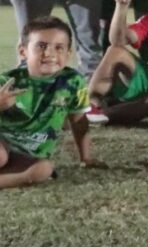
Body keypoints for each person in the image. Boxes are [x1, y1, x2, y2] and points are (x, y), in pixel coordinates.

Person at [0, 17, 98, 189]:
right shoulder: (6, 82)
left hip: (26, 155)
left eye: (59, 48)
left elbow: (79, 120)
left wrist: (86, 158)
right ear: (23, 51)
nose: (50, 54)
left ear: (69, 54)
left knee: (44, 169)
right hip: (3, 145)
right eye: (41, 46)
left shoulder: (73, 81)